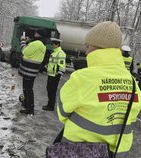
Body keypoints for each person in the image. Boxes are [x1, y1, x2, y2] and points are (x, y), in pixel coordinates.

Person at [57, 21, 141, 157]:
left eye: (87, 46)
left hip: (79, 151)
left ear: (95, 47)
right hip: (117, 153)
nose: (86, 51)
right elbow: (131, 115)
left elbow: (62, 113)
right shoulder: (132, 82)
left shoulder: (82, 78)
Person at [18, 28, 46, 115]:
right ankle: (26, 104)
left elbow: (25, 51)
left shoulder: (36, 43)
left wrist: (23, 41)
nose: (35, 33)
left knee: (28, 89)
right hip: (32, 70)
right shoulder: (42, 44)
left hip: (28, 69)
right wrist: (28, 43)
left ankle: (29, 108)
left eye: (36, 32)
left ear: (38, 34)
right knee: (27, 89)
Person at [42, 38, 66, 111]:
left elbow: (62, 66)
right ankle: (49, 105)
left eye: (53, 44)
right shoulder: (54, 52)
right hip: (51, 75)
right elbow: (52, 64)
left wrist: (58, 75)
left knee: (52, 91)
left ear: (57, 44)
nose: (52, 45)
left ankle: (51, 106)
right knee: (49, 90)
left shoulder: (60, 53)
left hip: (55, 76)